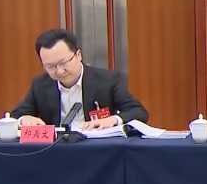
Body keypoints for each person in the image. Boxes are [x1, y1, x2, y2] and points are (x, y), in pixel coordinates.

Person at [12, 29, 149, 130]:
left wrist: (112, 120)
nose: (59, 71)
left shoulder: (108, 80)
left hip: (97, 149)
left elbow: (138, 112)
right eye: (50, 66)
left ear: (78, 55)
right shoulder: (40, 84)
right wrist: (24, 119)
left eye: (64, 63)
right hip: (56, 150)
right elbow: (16, 115)